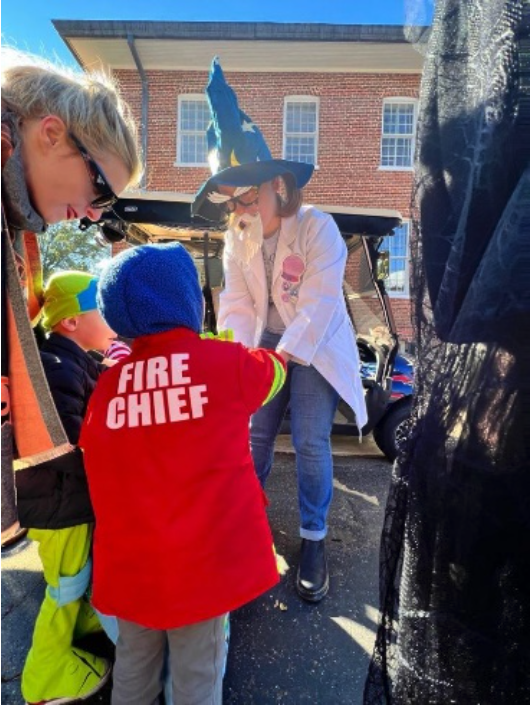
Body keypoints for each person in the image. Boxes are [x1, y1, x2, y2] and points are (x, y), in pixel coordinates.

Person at [79, 242, 286, 705]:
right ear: (189, 303)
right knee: (197, 674)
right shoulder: (224, 365)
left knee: (134, 666)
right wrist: (240, 350)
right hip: (203, 569)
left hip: (131, 569)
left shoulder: (108, 386)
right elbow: (272, 374)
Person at [192, 58, 368, 603]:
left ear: (277, 185)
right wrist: (243, 360)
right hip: (267, 343)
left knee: (312, 439)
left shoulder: (318, 227)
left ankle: (313, 540)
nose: (241, 208)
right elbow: (239, 303)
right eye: (233, 200)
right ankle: (244, 525)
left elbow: (316, 306)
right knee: (254, 434)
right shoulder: (238, 236)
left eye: (248, 196)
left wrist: (281, 358)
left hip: (315, 345)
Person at [1, 48, 142, 551]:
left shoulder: (17, 230)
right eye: (99, 187)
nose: (88, 213)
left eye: (103, 205)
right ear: (52, 133)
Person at [20, 271, 117, 704]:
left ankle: (82, 642)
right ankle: (45, 677)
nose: (111, 317)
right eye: (101, 307)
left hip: (69, 501)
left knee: (80, 578)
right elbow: (70, 442)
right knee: (66, 589)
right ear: (70, 321)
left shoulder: (73, 360)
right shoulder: (56, 367)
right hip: (61, 507)